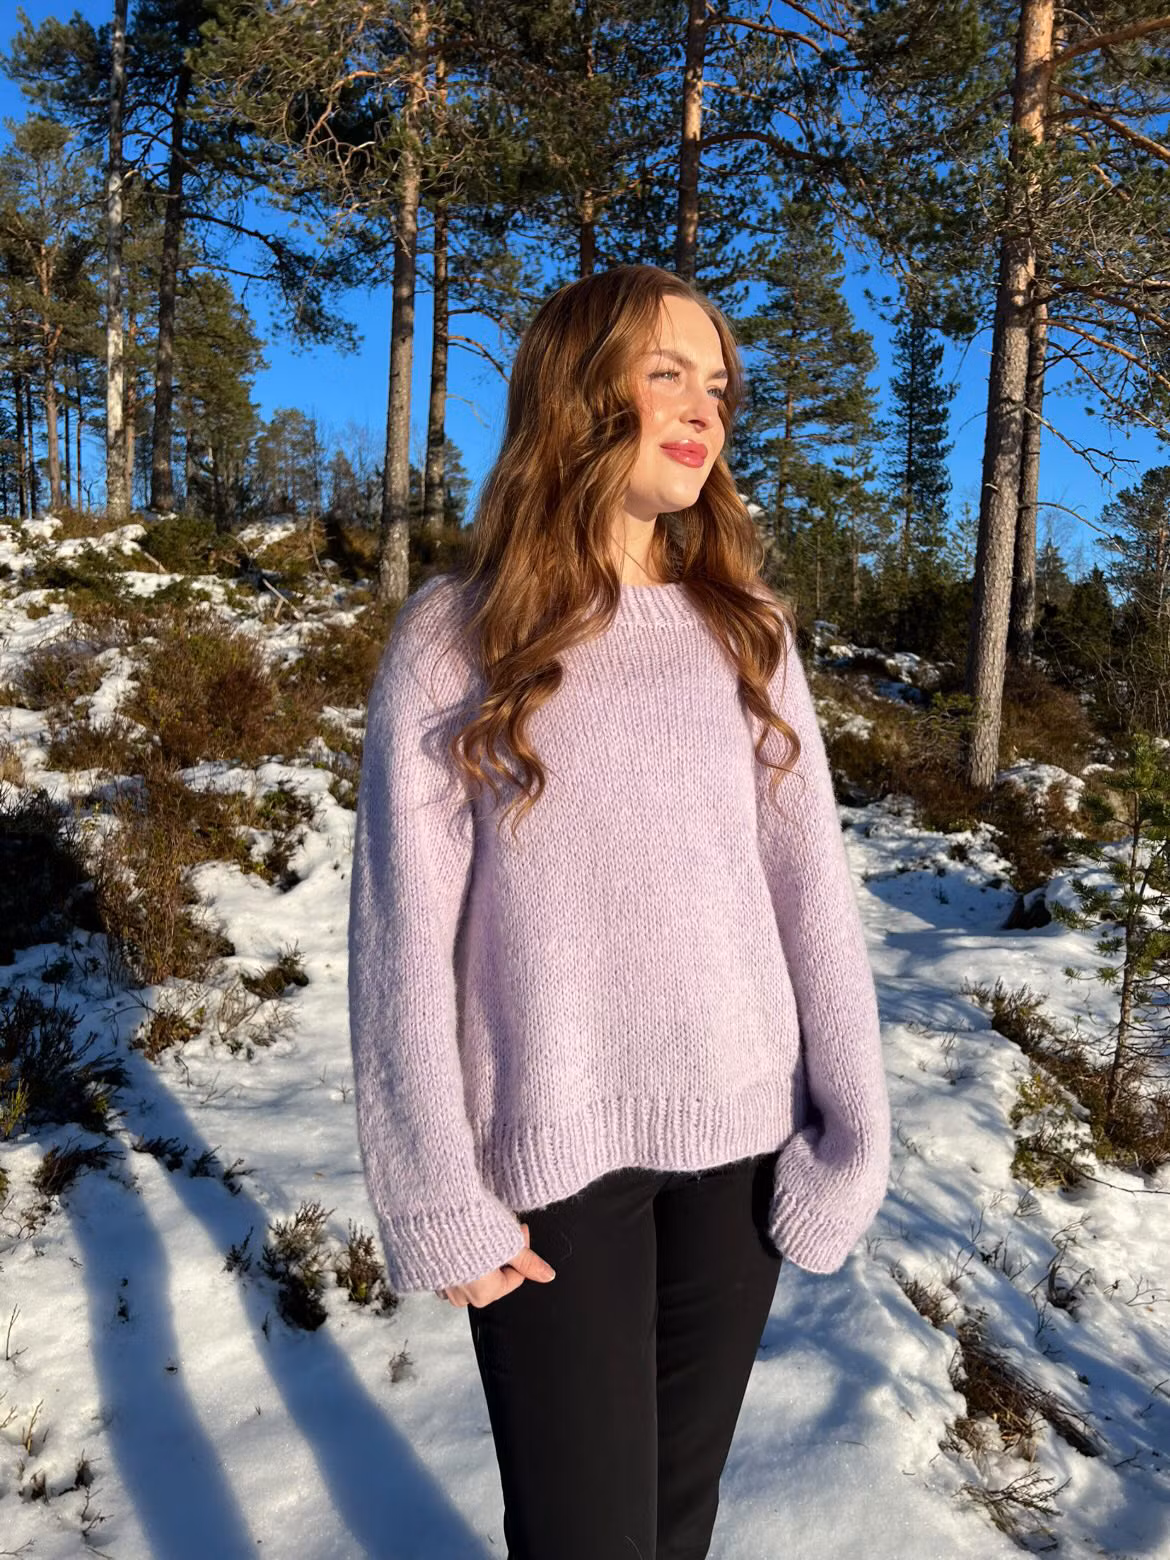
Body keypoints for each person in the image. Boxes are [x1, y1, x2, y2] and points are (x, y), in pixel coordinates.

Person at [347, 263, 891, 1560]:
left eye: (719, 386)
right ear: (580, 395)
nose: (704, 410)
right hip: (551, 1162)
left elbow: (810, 892)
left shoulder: (745, 630)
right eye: (666, 375)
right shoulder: (458, 636)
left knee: (673, 1529)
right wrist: (431, 1190)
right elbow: (399, 942)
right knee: (586, 1536)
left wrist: (852, 1134)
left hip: (739, 1157)